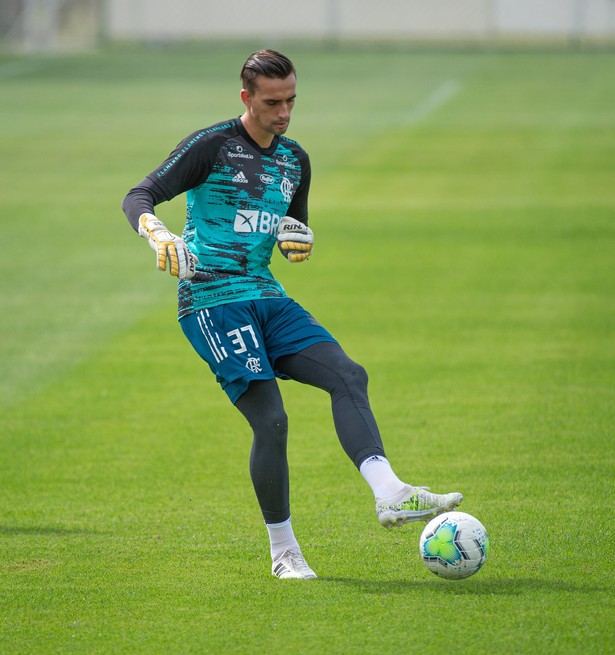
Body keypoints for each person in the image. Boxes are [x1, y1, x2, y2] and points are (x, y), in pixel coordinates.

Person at [121, 49, 462, 579]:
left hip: (267, 295)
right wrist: (156, 232)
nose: (283, 113)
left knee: (348, 375)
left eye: (291, 101)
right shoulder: (212, 146)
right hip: (212, 300)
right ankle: (285, 553)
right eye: (272, 103)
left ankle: (390, 492)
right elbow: (139, 194)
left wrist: (296, 241)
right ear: (247, 98)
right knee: (272, 421)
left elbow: (292, 228)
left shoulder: (294, 160)